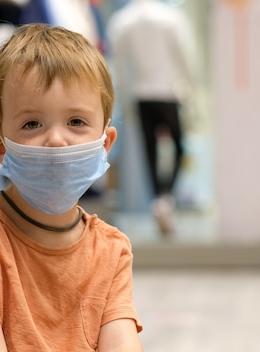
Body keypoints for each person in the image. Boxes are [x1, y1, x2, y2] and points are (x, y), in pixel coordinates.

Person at [0, 23, 143, 351]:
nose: (56, 139)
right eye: (32, 124)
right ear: (1, 148)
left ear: (105, 142)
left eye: (76, 122)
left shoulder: (111, 250)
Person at [107, 0, 197, 235]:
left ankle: (159, 197)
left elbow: (118, 62)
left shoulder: (124, 20)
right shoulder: (171, 18)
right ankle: (165, 197)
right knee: (178, 148)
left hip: (142, 95)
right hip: (168, 93)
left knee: (151, 151)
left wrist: (125, 100)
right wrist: (191, 91)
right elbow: (186, 57)